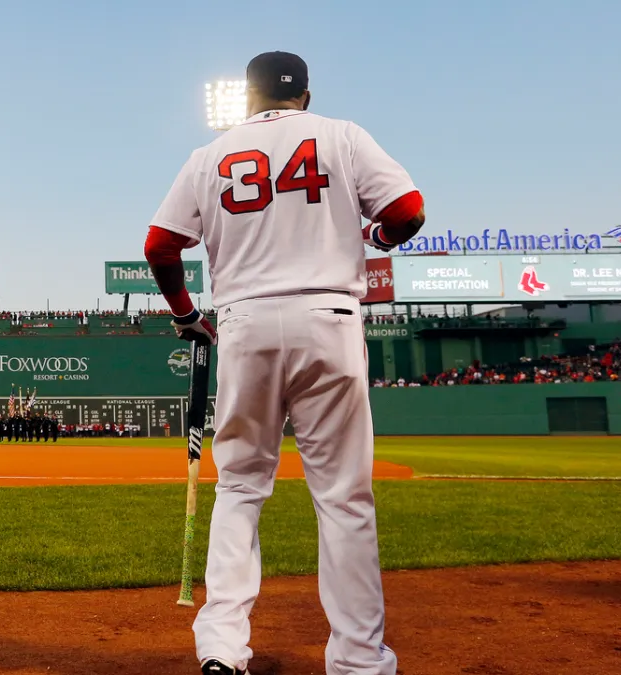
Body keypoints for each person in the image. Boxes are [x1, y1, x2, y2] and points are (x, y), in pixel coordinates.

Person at [144, 51, 424, 675]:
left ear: (247, 97)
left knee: (240, 488)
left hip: (243, 323)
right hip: (329, 319)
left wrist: (188, 314)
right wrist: (374, 239)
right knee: (344, 498)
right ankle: (357, 659)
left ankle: (220, 645)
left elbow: (160, 245)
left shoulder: (209, 155)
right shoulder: (341, 136)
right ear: (305, 93)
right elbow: (407, 212)